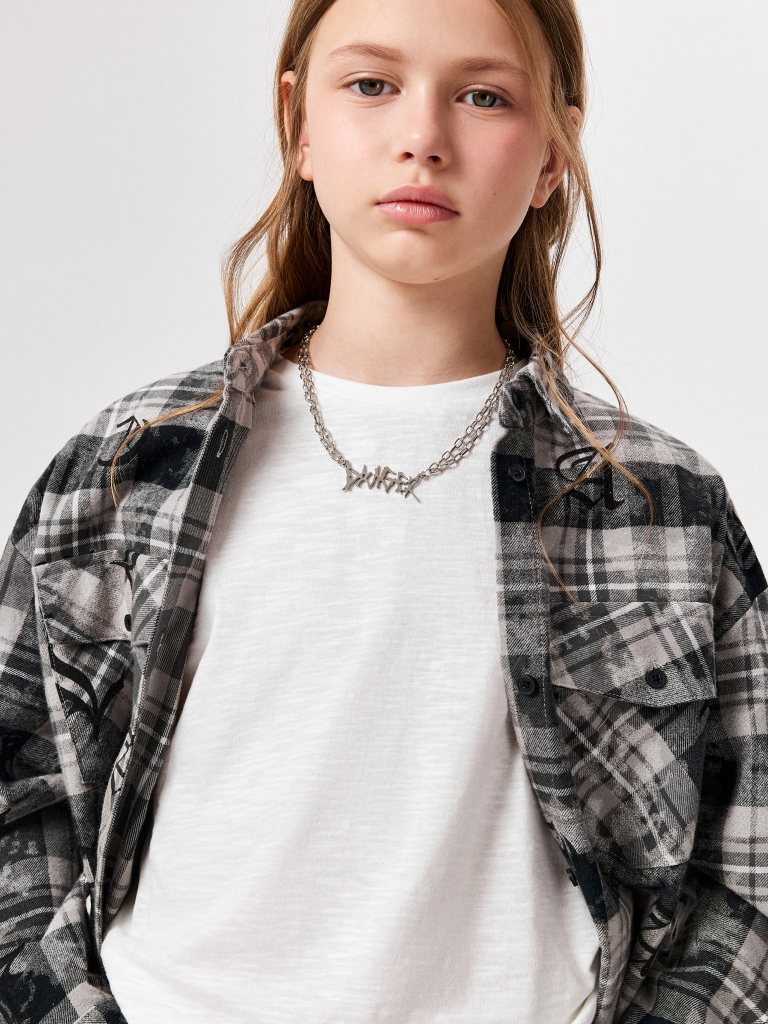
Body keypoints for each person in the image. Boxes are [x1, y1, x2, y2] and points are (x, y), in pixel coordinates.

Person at [1, 0, 766, 1021]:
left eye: (483, 96)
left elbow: (745, 871)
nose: (422, 137)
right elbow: (23, 810)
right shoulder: (126, 466)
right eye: (372, 84)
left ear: (553, 154)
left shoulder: (660, 505)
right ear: (298, 125)